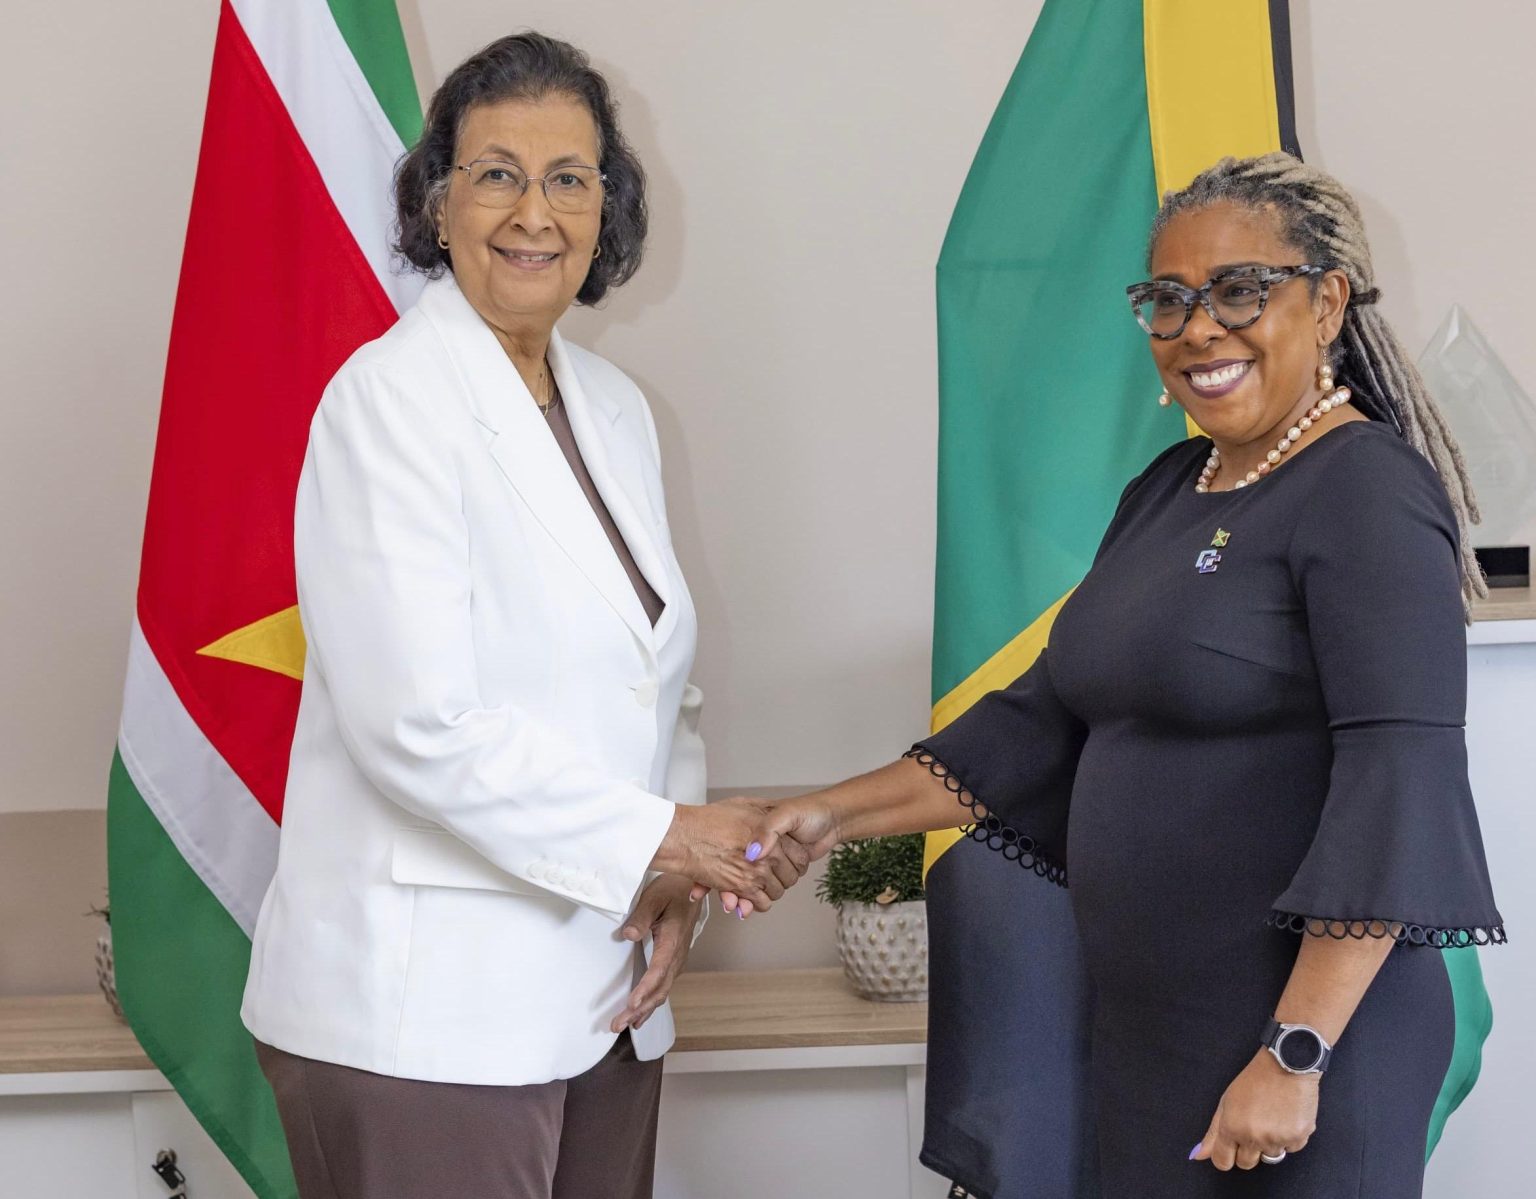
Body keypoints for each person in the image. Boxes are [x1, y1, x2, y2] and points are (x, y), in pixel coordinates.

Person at [743, 152, 1504, 1197]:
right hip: (1152, 1036)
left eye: (1240, 290)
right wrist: (824, 814)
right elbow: (1035, 727)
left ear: (1328, 302)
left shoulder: (1366, 487)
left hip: (1304, 1046)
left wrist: (1296, 1050)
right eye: (1169, 300)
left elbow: (1396, 784)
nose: (1199, 328)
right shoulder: (1168, 487)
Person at [239, 32, 799, 1199]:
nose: (533, 212)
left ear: (607, 210)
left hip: (603, 993)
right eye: (497, 173)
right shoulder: (387, 401)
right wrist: (667, 837)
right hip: (424, 1020)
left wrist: (671, 879)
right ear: (437, 204)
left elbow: (659, 679)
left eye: (569, 178)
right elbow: (417, 724)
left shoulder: (615, 406)